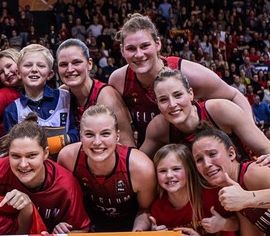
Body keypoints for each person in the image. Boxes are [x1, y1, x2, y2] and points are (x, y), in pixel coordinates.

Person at [108, 14, 252, 145]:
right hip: (157, 155)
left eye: (145, 46)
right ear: (122, 50)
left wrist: (251, 134)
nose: (139, 54)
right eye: (131, 49)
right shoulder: (118, 81)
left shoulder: (189, 74)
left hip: (199, 151)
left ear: (158, 44)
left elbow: (234, 96)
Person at [0, 114, 90, 233]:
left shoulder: (66, 184)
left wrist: (62, 235)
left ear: (45, 154)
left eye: (31, 156)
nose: (23, 164)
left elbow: (82, 229)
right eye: (15, 156)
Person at [57, 104, 156, 232]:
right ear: (81, 136)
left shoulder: (141, 167)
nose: (97, 142)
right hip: (86, 229)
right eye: (89, 134)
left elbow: (145, 209)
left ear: (117, 136)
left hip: (129, 228)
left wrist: (138, 231)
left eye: (105, 134)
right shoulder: (68, 158)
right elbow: (63, 204)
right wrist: (61, 224)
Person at [1, 44, 79, 156]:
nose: (34, 69)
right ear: (18, 73)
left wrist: (54, 143)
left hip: (64, 165)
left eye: (41, 66)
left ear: (50, 74)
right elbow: (11, 149)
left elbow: (76, 131)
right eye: (28, 65)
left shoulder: (66, 97)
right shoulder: (13, 110)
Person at [55, 38, 135, 146]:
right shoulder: (62, 93)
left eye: (76, 62)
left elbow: (127, 145)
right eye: (63, 64)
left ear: (89, 64)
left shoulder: (106, 97)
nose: (70, 69)